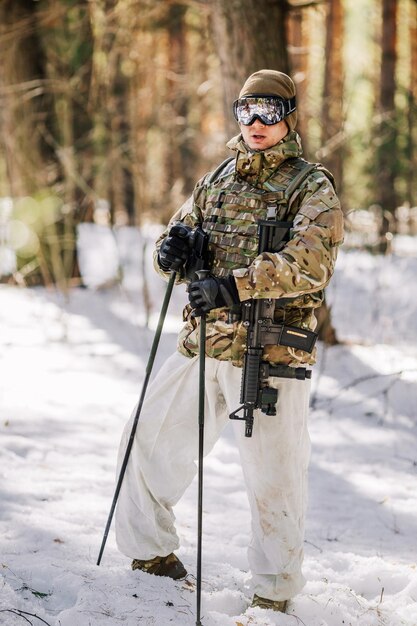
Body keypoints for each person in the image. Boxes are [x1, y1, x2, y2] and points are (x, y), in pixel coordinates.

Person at [115, 69, 344, 613]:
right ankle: (151, 557)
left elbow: (311, 263)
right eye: (246, 110)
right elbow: (177, 230)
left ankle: (273, 593)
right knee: (146, 439)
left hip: (269, 351)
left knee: (275, 477)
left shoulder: (310, 185)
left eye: (268, 110)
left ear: (289, 116)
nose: (256, 122)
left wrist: (234, 285)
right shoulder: (219, 178)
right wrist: (170, 251)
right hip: (203, 344)